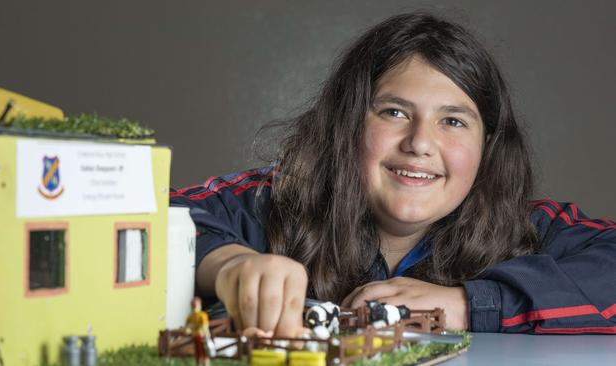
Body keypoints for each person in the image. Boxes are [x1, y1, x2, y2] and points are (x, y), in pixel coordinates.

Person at [171, 12, 616, 337]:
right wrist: (229, 264)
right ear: (347, 125)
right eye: (395, 112)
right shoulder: (271, 201)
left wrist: (467, 303)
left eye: (454, 121)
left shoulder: (527, 230)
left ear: (489, 146)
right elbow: (157, 212)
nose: (420, 142)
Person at [185, 296, 213, 366]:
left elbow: (204, 327)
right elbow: (188, 326)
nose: (194, 307)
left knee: (204, 354)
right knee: (199, 354)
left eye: (195, 305)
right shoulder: (191, 316)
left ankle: (204, 364)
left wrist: (206, 335)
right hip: (196, 337)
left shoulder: (201, 315)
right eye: (193, 305)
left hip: (202, 337)